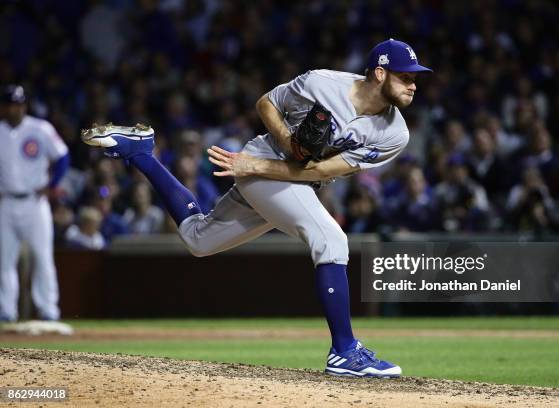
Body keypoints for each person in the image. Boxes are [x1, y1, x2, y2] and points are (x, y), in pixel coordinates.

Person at [82, 39, 432, 377]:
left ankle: (141, 152)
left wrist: (257, 167)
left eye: (415, 78)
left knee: (197, 239)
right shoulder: (322, 82)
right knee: (331, 239)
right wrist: (284, 143)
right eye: (406, 76)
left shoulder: (394, 134)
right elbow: (267, 103)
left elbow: (323, 169)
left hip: (282, 176)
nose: (413, 85)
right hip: (265, 159)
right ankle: (344, 351)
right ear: (380, 73)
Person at [0, 85, 70, 322]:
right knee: (4, 259)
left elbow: (62, 156)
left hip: (34, 201)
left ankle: (49, 309)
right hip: (6, 202)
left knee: (43, 256)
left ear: (25, 106)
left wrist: (52, 185)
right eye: (10, 104)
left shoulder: (40, 128)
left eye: (18, 104)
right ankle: (6, 311)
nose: (14, 108)